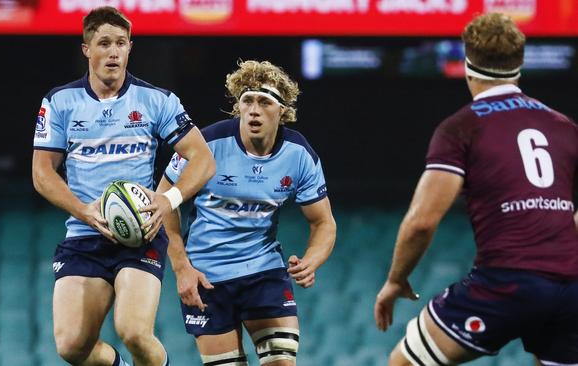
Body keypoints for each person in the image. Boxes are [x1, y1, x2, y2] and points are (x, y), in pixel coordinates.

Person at [374, 12, 578, 366]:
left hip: (505, 283)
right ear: (519, 65)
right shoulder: (565, 127)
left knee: (402, 363)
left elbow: (422, 222)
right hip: (571, 289)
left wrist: (395, 281)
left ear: (468, 66)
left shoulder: (461, 128)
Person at [32, 6, 216, 366]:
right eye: (103, 43)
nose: (113, 52)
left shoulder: (157, 100)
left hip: (140, 233)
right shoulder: (60, 102)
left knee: (132, 330)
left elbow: (203, 159)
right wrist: (84, 211)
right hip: (84, 235)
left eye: (120, 43)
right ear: (86, 49)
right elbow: (43, 174)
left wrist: (168, 199)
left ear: (130, 48)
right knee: (71, 346)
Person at [158, 60, 336, 366]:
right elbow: (163, 203)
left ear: (282, 111)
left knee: (281, 361)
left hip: (262, 273)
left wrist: (311, 260)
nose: (253, 110)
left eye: (264, 102)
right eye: (247, 101)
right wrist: (181, 268)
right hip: (206, 278)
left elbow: (323, 223)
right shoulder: (206, 145)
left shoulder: (299, 155)